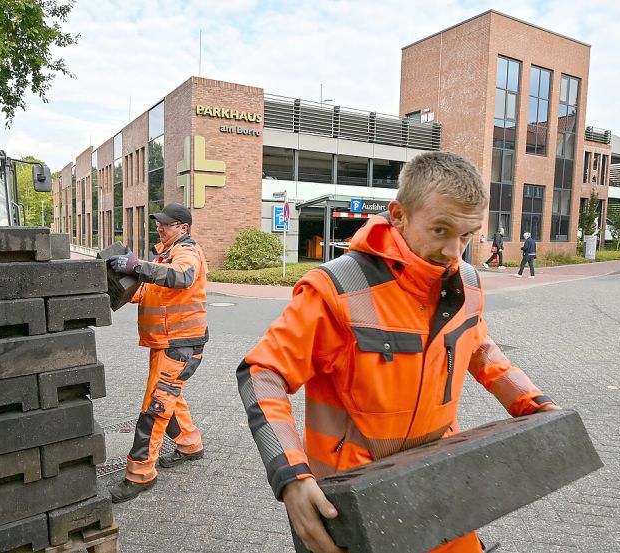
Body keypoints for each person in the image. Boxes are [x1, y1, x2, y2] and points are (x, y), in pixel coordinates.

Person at [236, 152, 558, 553]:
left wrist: (533, 403)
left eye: (467, 235)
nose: (454, 251)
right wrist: (292, 477)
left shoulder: (468, 282)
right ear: (399, 215)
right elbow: (262, 373)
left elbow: (479, 346)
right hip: (353, 492)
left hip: (439, 471)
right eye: (440, 230)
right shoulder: (338, 287)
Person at [105, 202, 208, 503]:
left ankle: (140, 474)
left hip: (180, 344)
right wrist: (119, 284)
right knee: (169, 397)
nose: (160, 227)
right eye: (160, 223)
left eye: (167, 224)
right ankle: (189, 445)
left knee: (156, 406)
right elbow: (147, 289)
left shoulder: (187, 253)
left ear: (183, 228)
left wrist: (136, 266)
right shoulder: (164, 256)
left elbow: (182, 277)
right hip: (165, 342)